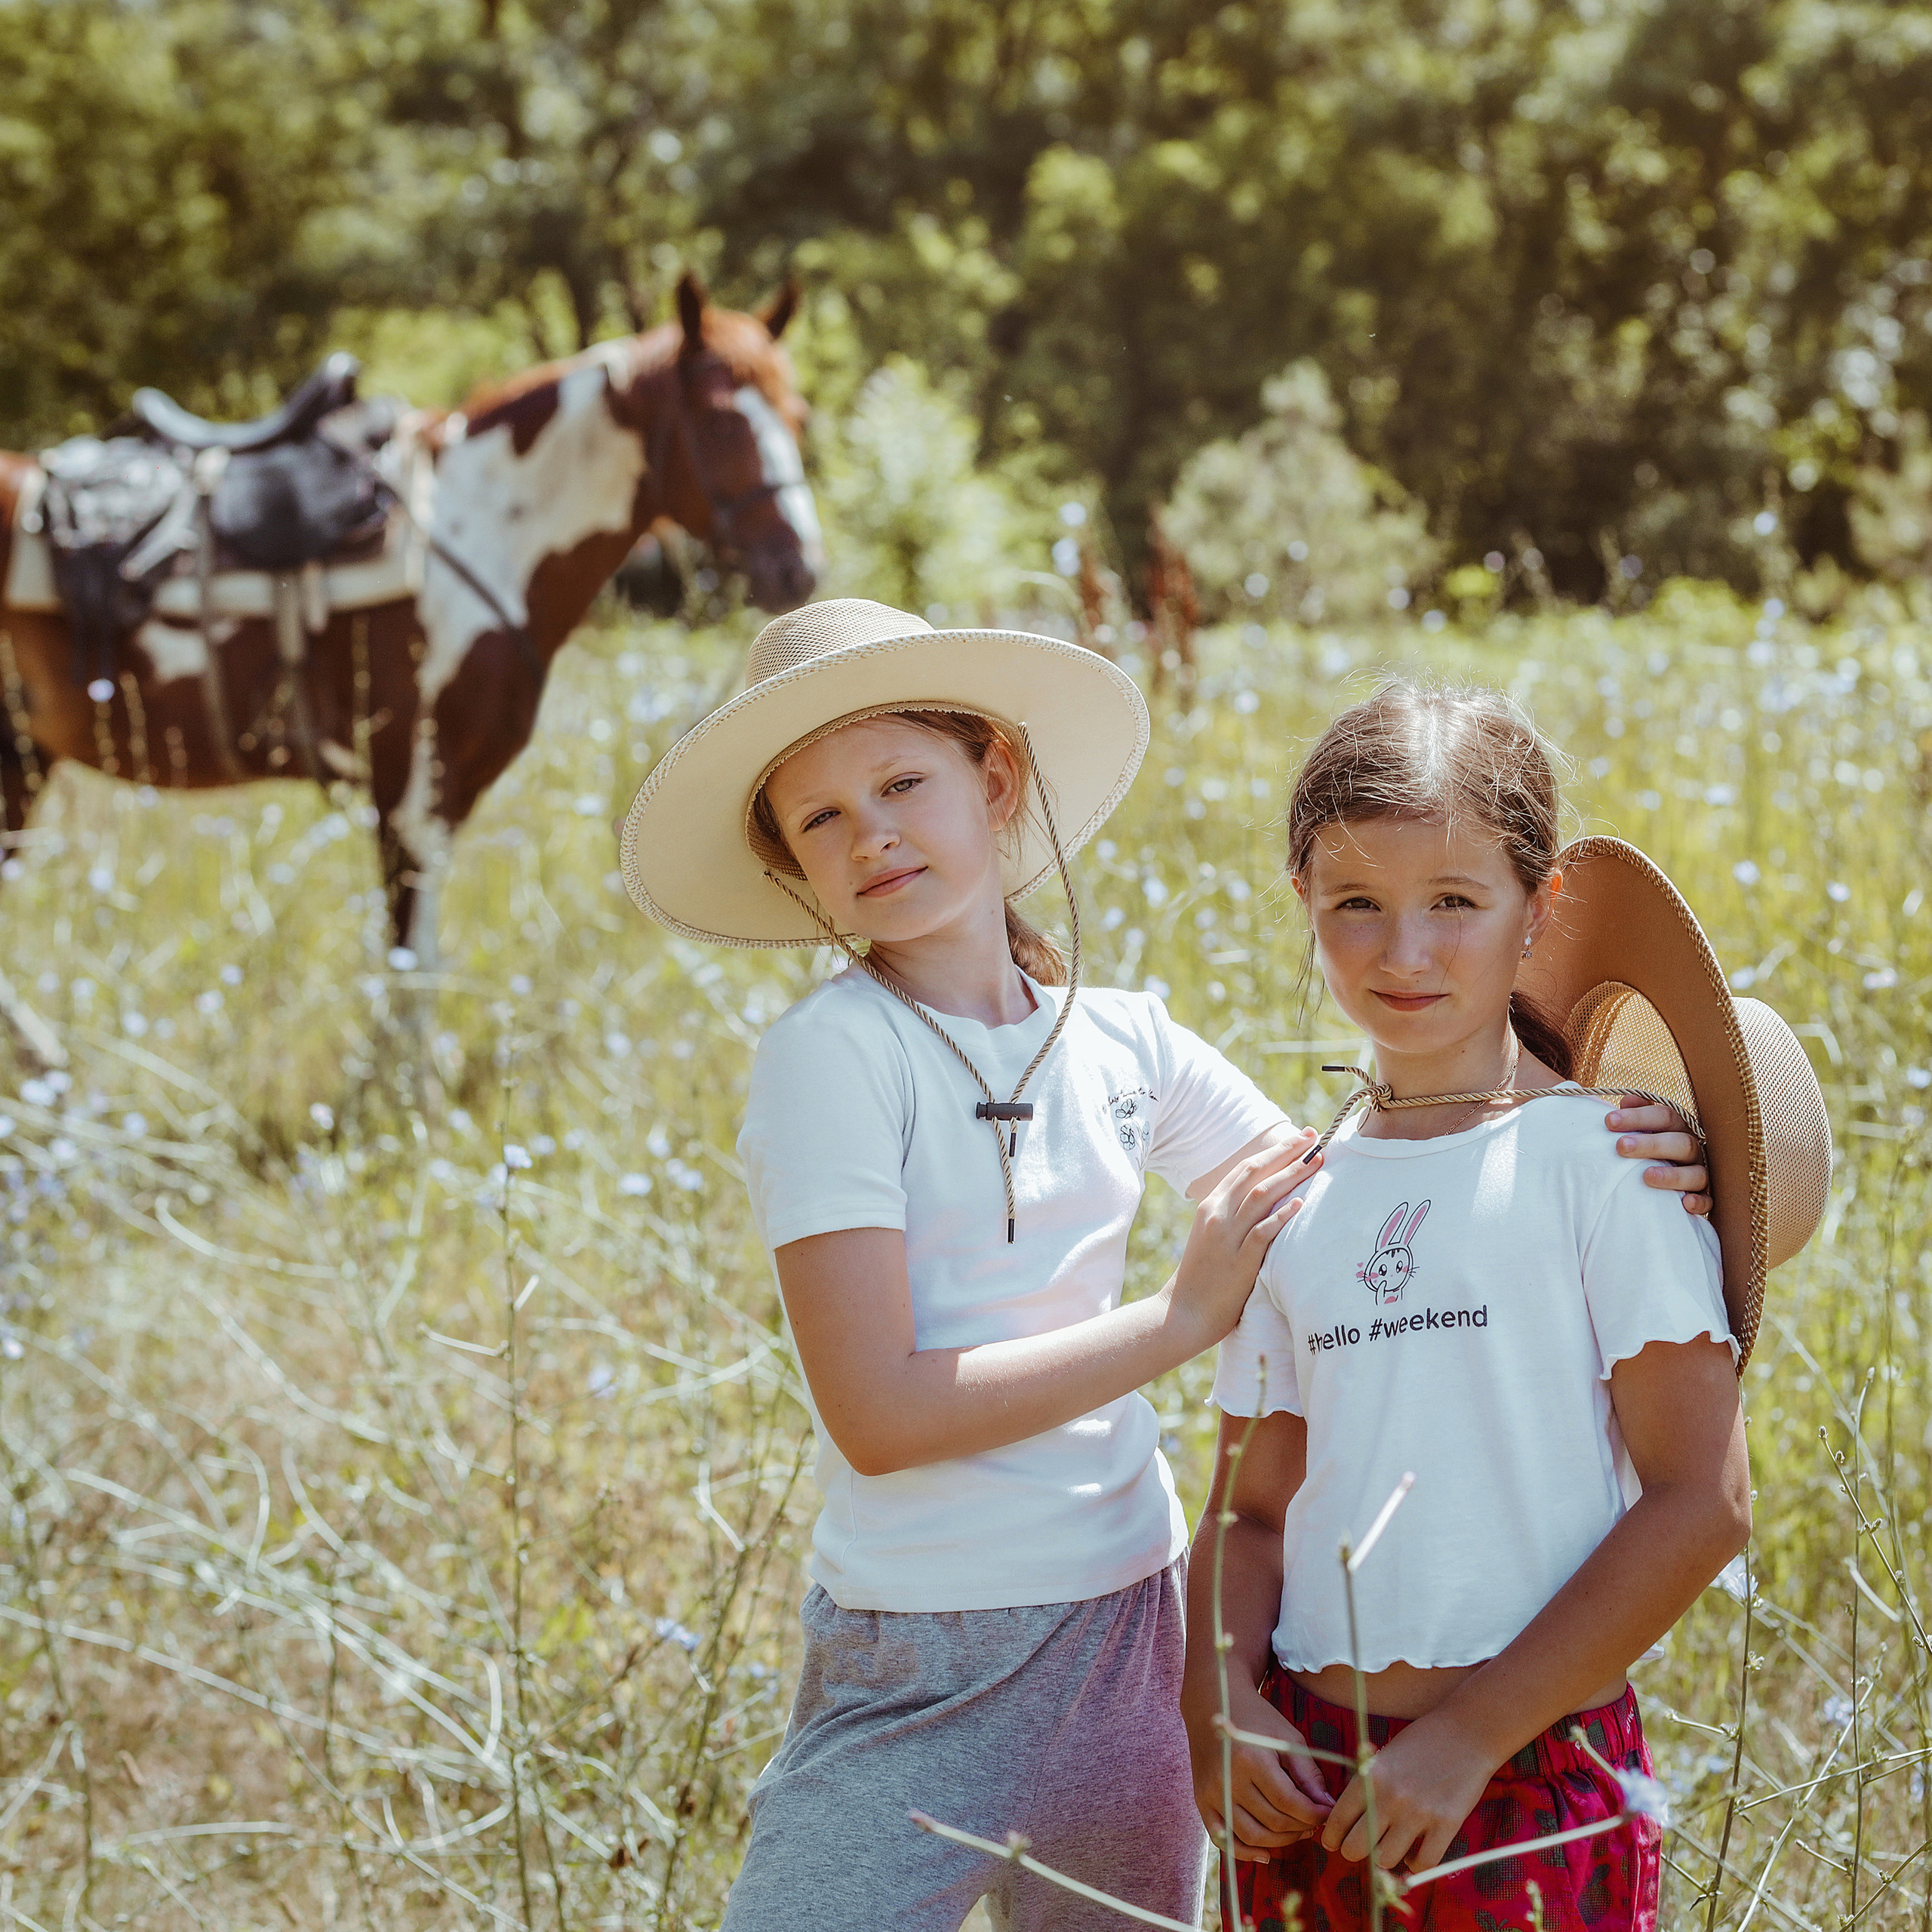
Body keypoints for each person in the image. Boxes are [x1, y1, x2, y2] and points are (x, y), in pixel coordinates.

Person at [614, 604, 1713, 1932]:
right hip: (927, 1643)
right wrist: (1183, 1317)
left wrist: (1632, 1120)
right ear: (792, 865)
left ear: (997, 780)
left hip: (1133, 1624)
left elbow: (1357, 1181)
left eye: (903, 782)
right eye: (822, 820)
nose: (876, 832)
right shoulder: (832, 1057)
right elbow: (881, 1414)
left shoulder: (1119, 1042)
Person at [1181, 679, 1827, 1931]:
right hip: (1305, 1782)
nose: (1404, 951)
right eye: (1355, 905)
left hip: (1531, 1760)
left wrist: (1468, 1735)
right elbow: (1251, 1515)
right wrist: (1219, 1700)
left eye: (1456, 905)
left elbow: (1706, 1502)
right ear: (1304, 906)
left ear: (1539, 911)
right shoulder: (1296, 1195)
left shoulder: (1608, 1166)